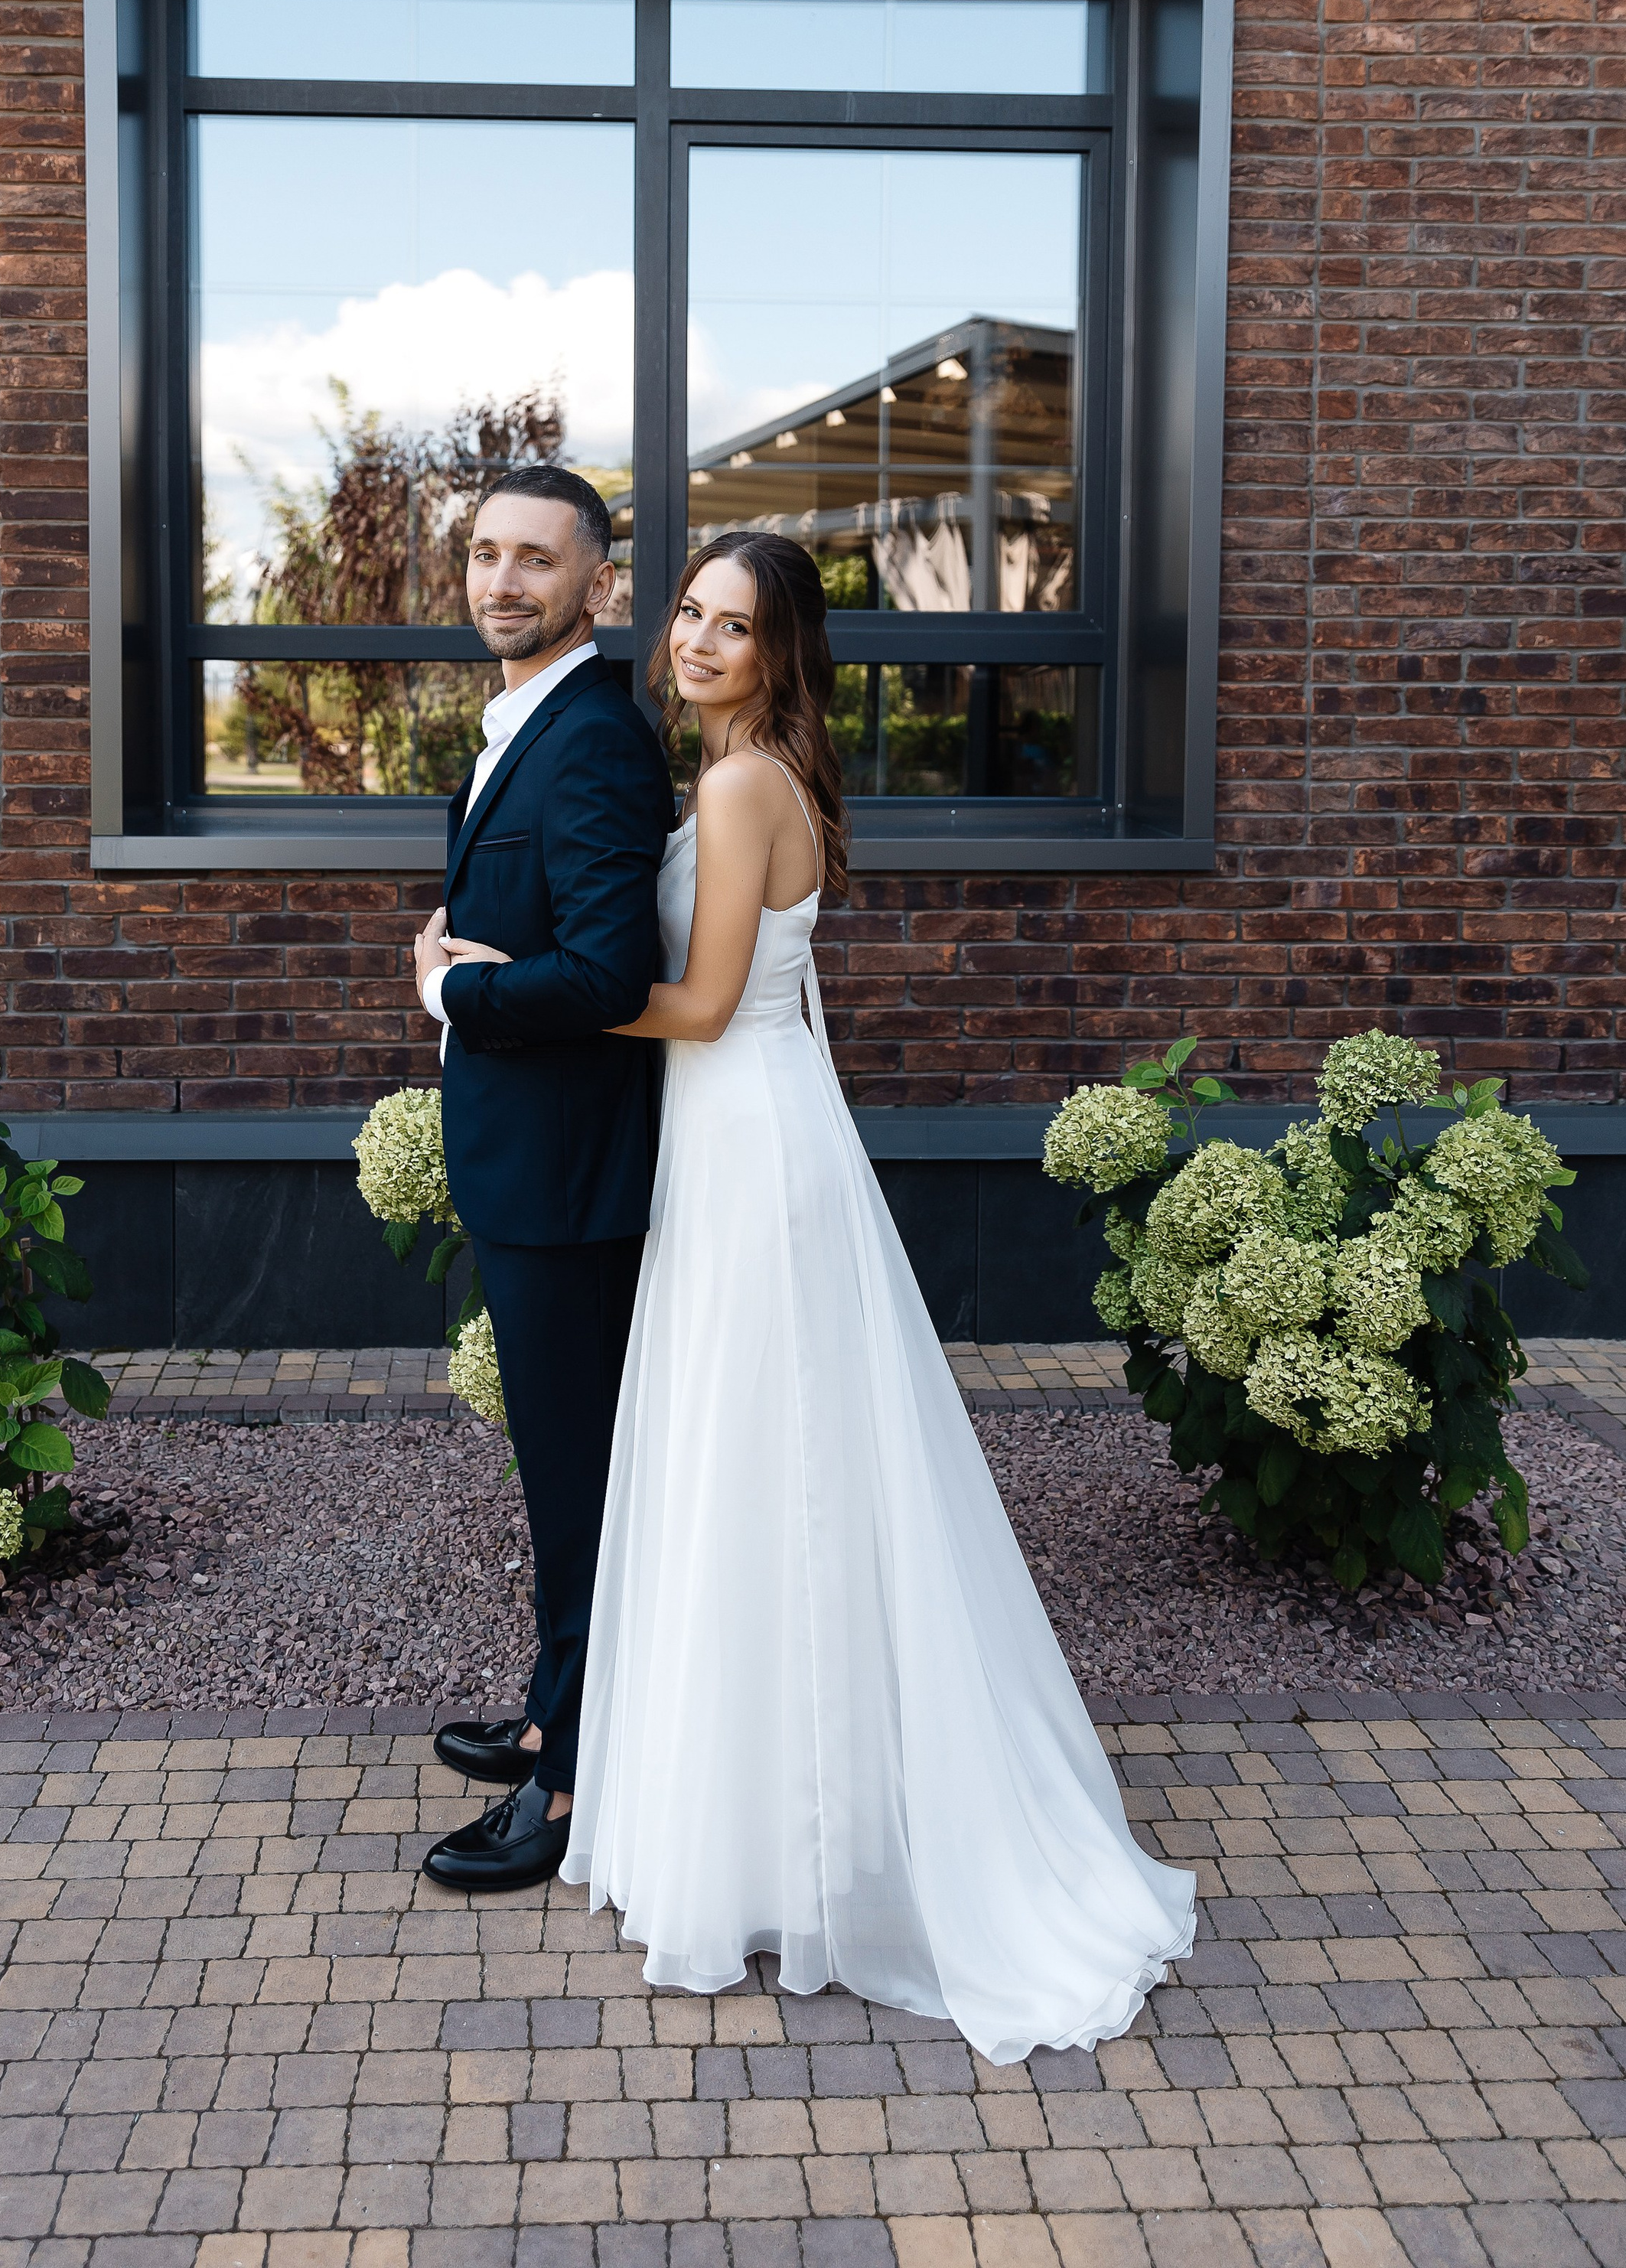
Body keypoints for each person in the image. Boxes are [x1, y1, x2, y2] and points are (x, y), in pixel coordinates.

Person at [553, 530, 1198, 2058]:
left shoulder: (734, 784)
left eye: (732, 627)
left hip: (747, 1142)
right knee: (775, 1472)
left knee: (768, 1475)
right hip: (747, 1142)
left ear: (780, 656)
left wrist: (531, 994)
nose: (695, 642)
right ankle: (777, 1827)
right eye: (687, 614)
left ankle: (792, 1843)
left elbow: (703, 1007)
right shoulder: (742, 768)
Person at [411, 464, 676, 1896]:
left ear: (596, 585)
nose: (501, 580)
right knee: (559, 1479)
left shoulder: (593, 742)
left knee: (580, 1490)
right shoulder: (522, 724)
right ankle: (549, 1714)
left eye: (535, 559)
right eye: (485, 553)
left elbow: (604, 975)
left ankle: (570, 1790)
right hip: (530, 1170)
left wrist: (457, 997)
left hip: (572, 1190)